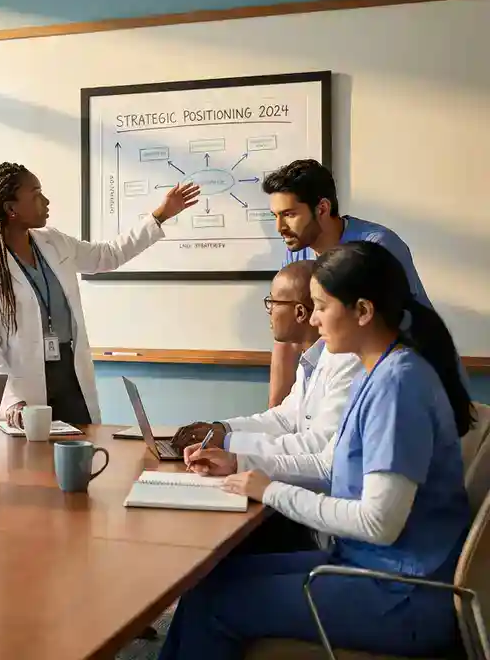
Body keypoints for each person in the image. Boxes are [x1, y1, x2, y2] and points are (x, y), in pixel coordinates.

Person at [160, 241, 474, 659]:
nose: (316, 319)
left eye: (322, 306)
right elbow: (333, 465)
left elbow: (380, 523)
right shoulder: (376, 371)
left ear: (362, 311)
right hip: (369, 569)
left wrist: (269, 490)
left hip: (402, 594)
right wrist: (239, 461)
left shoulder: (398, 386)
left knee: (219, 605)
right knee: (206, 582)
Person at [0, 162, 199, 428]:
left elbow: (107, 255)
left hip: (69, 373)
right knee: (33, 465)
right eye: (36, 195)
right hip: (24, 387)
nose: (46, 201)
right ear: (11, 209)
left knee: (81, 452)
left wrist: (160, 216)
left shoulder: (52, 241)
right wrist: (11, 401)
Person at [263, 159, 433, 409]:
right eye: (275, 216)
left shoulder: (377, 247)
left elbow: (390, 334)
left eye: (289, 214)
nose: (280, 227)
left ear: (322, 208)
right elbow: (288, 332)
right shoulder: (297, 251)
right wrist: (276, 411)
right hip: (337, 383)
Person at [172, 260, 363, 457]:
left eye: (273, 302)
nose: (269, 311)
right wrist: (223, 428)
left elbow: (318, 446)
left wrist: (227, 442)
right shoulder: (312, 357)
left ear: (299, 312)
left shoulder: (347, 361)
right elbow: (283, 419)